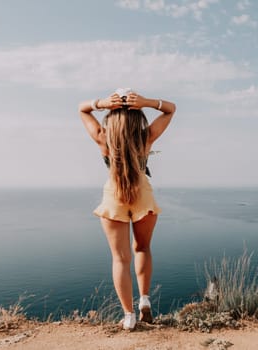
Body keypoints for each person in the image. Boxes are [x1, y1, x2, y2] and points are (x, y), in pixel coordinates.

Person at [79, 89, 176, 330]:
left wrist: (100, 103)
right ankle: (144, 299)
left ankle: (129, 316)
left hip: (114, 195)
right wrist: (148, 102)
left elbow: (82, 109)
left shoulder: (103, 138)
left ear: (111, 114)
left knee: (120, 259)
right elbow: (171, 109)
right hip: (142, 194)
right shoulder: (146, 137)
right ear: (137, 114)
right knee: (142, 248)